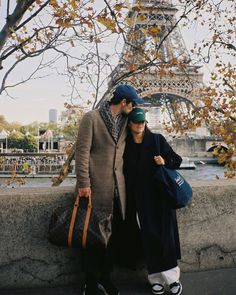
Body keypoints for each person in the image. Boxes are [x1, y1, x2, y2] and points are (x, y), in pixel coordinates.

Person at [75, 85, 144, 295]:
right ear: (123, 102)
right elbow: (82, 151)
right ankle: (90, 283)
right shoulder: (92, 118)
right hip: (95, 189)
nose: (134, 109)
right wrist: (84, 183)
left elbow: (143, 134)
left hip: (118, 192)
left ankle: (106, 278)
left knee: (110, 240)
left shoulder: (126, 122)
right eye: (132, 104)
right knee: (92, 240)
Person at [123, 108, 183, 295]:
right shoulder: (126, 145)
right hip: (141, 199)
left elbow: (177, 160)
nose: (140, 125)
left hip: (161, 197)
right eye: (136, 122)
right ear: (130, 124)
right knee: (149, 238)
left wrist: (164, 160)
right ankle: (155, 278)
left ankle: (173, 279)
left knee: (166, 237)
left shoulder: (157, 140)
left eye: (142, 122)